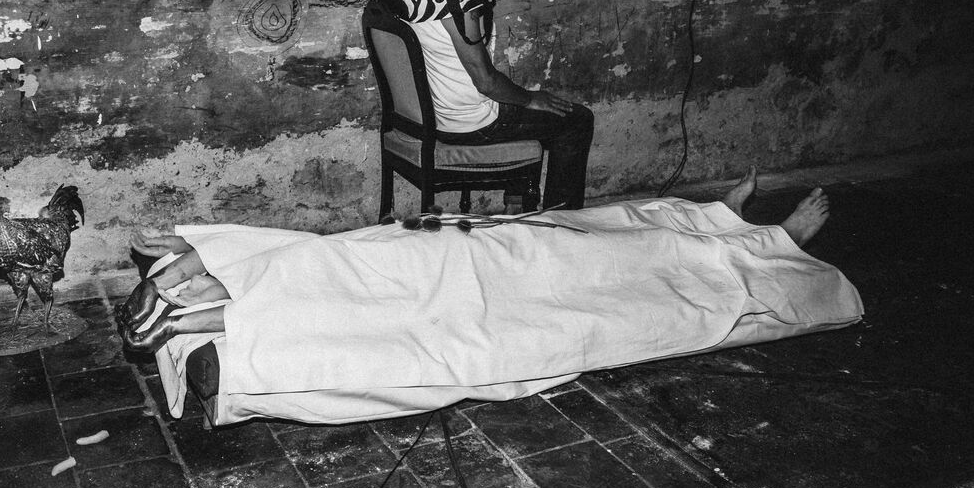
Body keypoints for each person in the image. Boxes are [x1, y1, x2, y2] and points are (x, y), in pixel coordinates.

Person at [117, 167, 834, 355]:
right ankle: (767, 240)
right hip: (472, 272)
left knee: (608, 231)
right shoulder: (281, 301)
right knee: (621, 255)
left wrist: (193, 259)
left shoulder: (289, 266)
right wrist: (191, 303)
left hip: (458, 246)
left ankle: (727, 224)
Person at [411, 6, 594, 212]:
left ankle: (518, 205)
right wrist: (529, 99)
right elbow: (487, 83)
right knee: (578, 120)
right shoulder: (458, 5)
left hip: (440, 116)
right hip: (474, 121)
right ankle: (561, 219)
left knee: (524, 109)